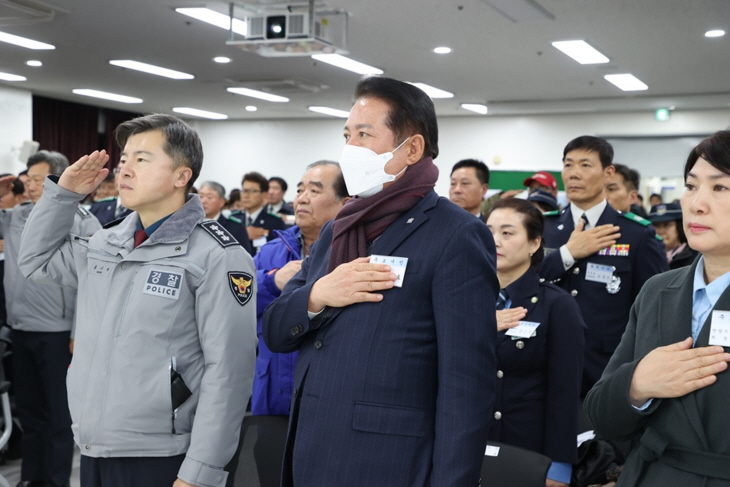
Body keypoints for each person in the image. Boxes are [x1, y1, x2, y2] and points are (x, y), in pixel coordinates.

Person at [262, 76, 498, 486]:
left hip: (389, 464)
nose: (349, 148)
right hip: (311, 450)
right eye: (347, 135)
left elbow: (466, 385)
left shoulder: (456, 234)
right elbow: (277, 330)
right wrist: (318, 294)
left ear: (412, 148)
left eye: (364, 135)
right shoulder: (340, 228)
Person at [15, 114, 256, 487]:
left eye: (142, 159)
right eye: (124, 159)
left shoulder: (217, 256)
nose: (124, 169)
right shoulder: (105, 243)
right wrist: (62, 196)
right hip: (95, 448)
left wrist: (200, 472)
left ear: (182, 176)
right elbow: (34, 260)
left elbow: (229, 373)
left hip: (165, 456)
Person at [584, 130, 730, 486]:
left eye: (720, 188)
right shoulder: (657, 290)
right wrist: (636, 385)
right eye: (691, 185)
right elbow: (600, 413)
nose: (696, 203)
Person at [0, 150, 101, 487]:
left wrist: (79, 330)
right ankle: (31, 480)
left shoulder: (82, 219)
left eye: (38, 180)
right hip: (21, 330)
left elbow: (95, 282)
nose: (30, 187)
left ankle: (57, 482)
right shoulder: (16, 216)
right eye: (27, 180)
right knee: (31, 415)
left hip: (59, 333)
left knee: (60, 418)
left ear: (60, 180)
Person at [540, 135, 668, 396]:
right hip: (544, 360)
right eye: (568, 165)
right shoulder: (543, 227)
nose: (574, 174)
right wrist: (567, 253)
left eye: (585, 165)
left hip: (606, 366)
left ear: (608, 173)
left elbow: (654, 307)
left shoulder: (635, 234)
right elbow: (522, 282)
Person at [487, 198, 585, 487]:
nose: (495, 241)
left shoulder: (556, 305)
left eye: (507, 233)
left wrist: (559, 465)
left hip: (527, 448)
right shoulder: (466, 299)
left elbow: (564, 391)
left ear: (534, 244)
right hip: (469, 443)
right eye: (488, 231)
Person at [252, 161, 349, 416]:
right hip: (271, 389)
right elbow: (236, 300)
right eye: (299, 190)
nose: (302, 199)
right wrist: (272, 282)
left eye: (314, 191)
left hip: (325, 393)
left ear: (345, 202)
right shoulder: (272, 250)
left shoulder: (352, 253)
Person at [198, 181, 253, 255]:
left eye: (209, 197)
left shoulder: (235, 227)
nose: (203, 201)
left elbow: (244, 257)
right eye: (200, 196)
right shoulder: (191, 225)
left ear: (222, 202)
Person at [238, 172, 287, 254]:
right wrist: (244, 235)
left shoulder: (275, 222)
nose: (246, 195)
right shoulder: (234, 219)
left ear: (264, 195)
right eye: (244, 190)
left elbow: (279, 252)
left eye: (252, 191)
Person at [648, 202, 698, 269]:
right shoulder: (646, 255)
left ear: (679, 227)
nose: (661, 231)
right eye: (656, 226)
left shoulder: (695, 256)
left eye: (667, 225)